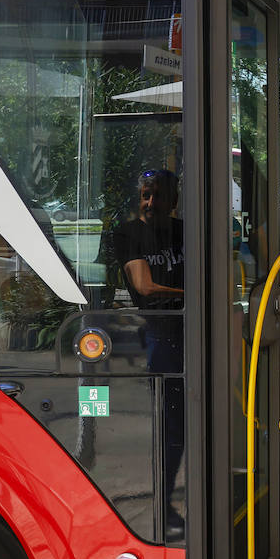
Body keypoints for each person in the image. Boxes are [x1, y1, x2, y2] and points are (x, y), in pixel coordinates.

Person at [111, 168, 185, 539]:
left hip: (193, 336)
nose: (150, 202)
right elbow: (143, 285)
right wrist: (197, 296)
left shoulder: (185, 230)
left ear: (174, 198)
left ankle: (177, 501)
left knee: (189, 426)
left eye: (157, 195)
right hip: (158, 337)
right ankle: (162, 505)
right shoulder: (129, 234)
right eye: (145, 195)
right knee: (170, 427)